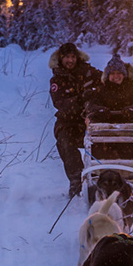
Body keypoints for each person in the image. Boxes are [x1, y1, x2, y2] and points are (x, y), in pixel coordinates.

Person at [49, 42, 101, 197]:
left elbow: (108, 80)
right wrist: (80, 100)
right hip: (69, 122)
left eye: (73, 57)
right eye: (67, 57)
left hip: (92, 120)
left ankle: (102, 177)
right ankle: (75, 179)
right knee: (65, 141)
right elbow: (59, 103)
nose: (70, 60)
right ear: (61, 58)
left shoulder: (89, 72)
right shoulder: (57, 80)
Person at [86, 54, 133, 124]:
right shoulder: (100, 90)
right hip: (104, 128)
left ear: (124, 75)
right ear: (108, 76)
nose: (116, 76)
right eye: (112, 73)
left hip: (130, 127)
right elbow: (91, 106)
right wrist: (99, 110)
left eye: (119, 73)